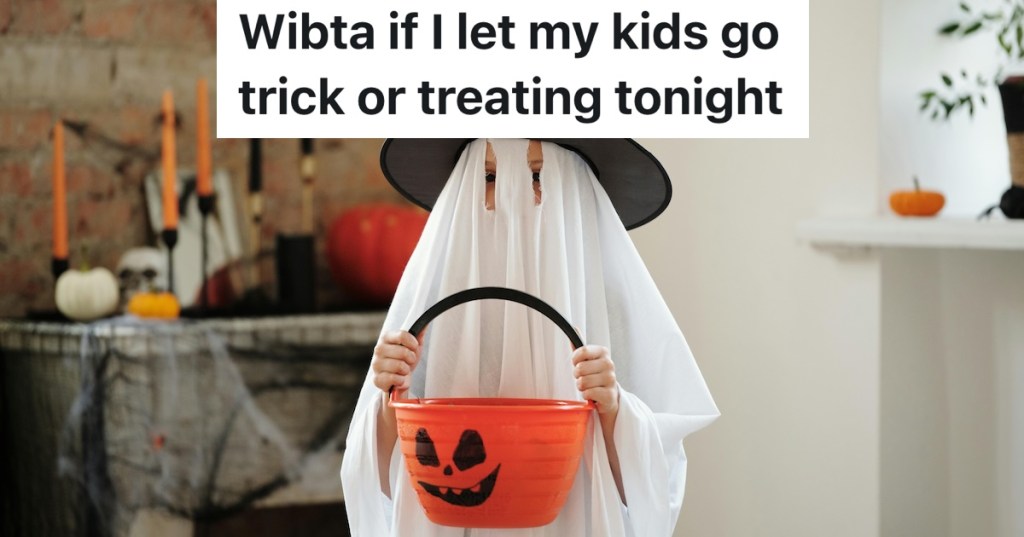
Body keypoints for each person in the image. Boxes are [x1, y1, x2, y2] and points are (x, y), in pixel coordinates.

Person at [342, 139, 718, 536]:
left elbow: (651, 487)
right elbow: (383, 480)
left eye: (536, 174)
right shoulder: (433, 311)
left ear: (572, 185)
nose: (510, 190)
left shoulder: (607, 307)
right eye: (489, 175)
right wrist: (390, 395)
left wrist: (614, 409)